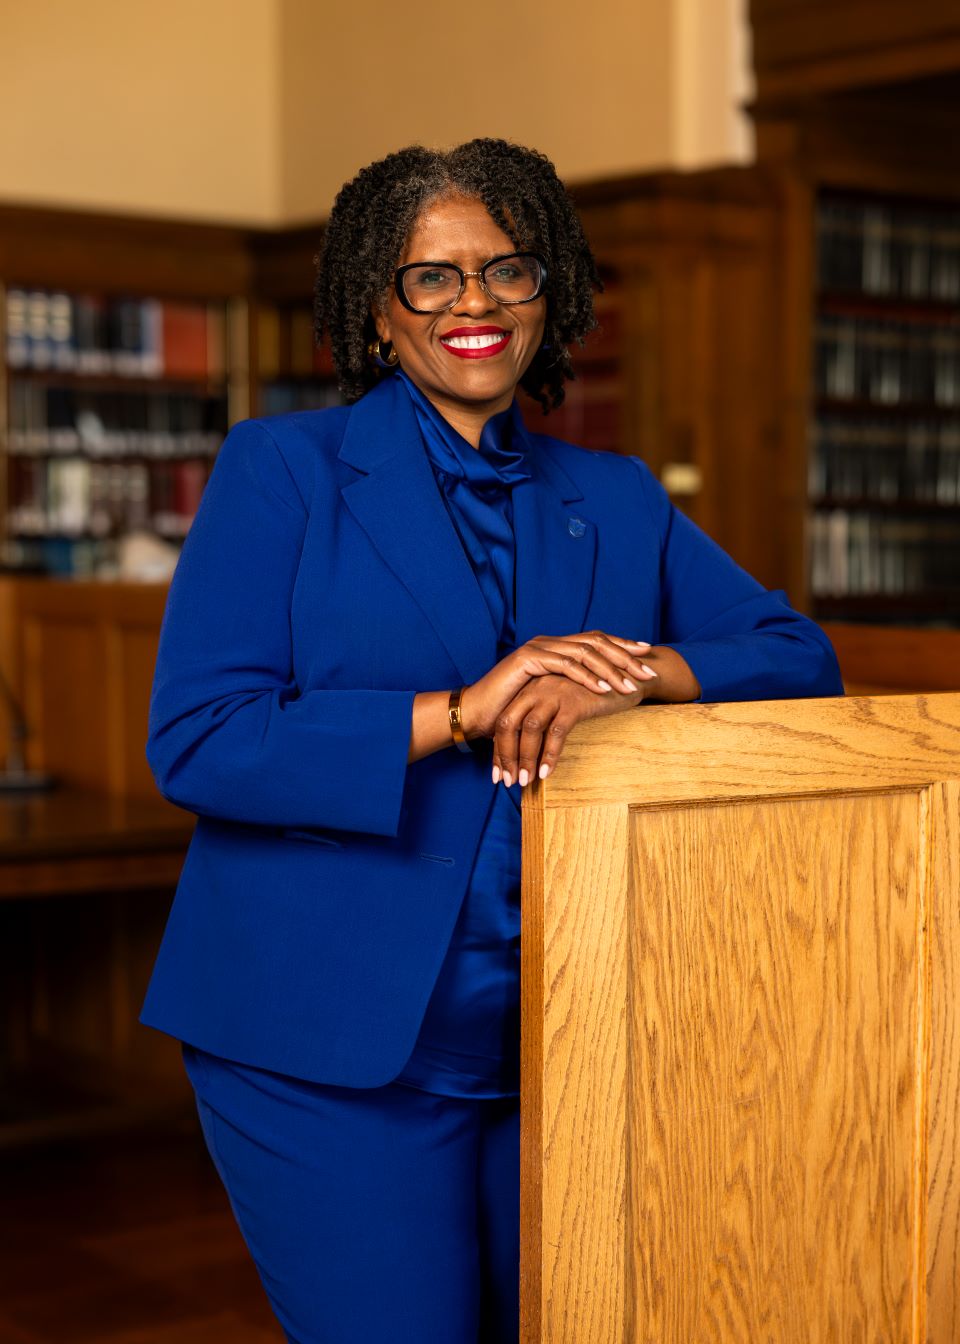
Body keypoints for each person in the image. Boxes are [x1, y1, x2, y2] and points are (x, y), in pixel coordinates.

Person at [140, 138, 843, 1343]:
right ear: (377, 312)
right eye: (431, 277)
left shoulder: (614, 495)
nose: (474, 302)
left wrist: (636, 672)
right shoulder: (284, 471)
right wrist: (464, 709)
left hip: (560, 1036)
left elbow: (796, 657)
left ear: (549, 295)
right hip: (327, 1041)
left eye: (509, 272)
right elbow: (201, 739)